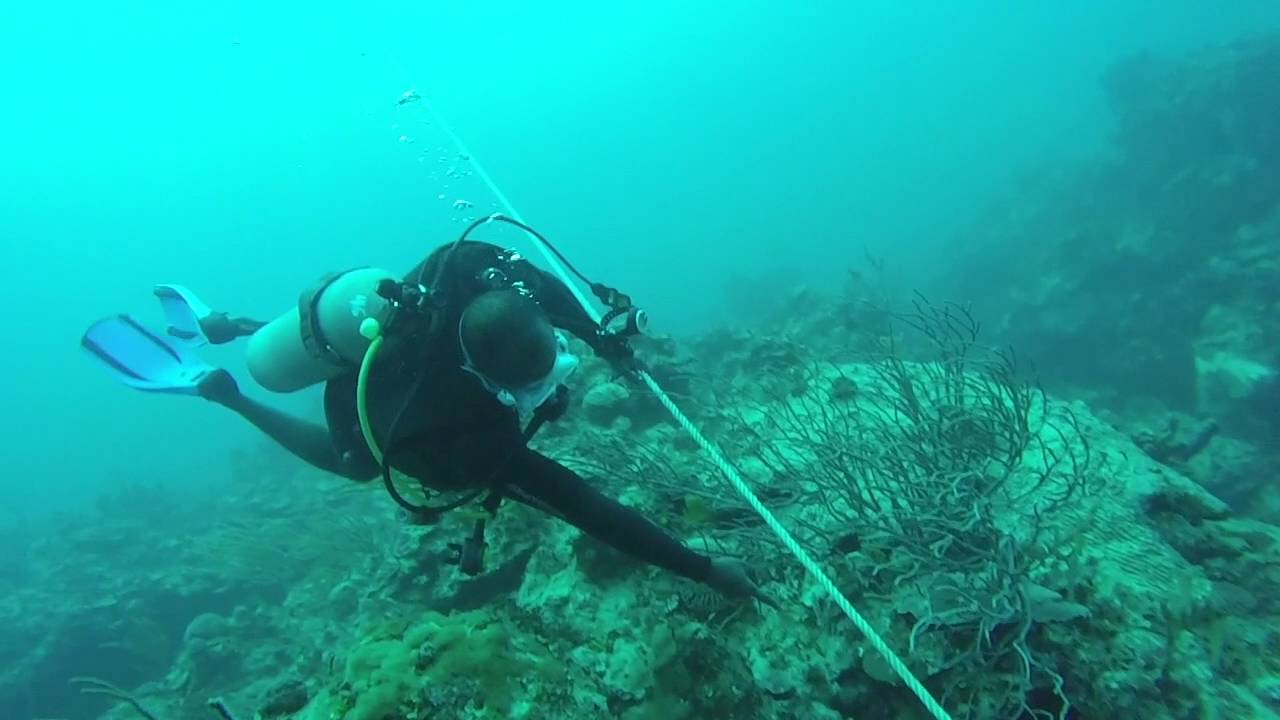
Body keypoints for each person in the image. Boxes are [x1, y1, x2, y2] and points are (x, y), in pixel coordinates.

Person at [82, 222, 771, 606]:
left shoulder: (477, 271)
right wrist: (705, 570)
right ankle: (222, 390)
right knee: (355, 464)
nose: (549, 396)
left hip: (383, 317)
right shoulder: (446, 436)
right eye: (527, 388)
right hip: (380, 394)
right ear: (482, 378)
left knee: (363, 329)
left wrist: (600, 337)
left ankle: (229, 322)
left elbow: (549, 292)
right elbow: (584, 504)